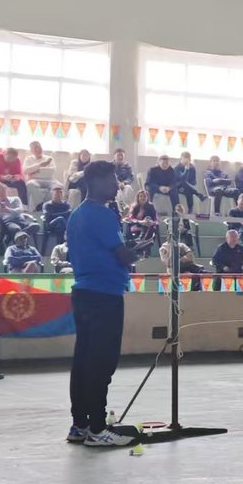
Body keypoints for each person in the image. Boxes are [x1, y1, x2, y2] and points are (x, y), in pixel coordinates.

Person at [66, 160, 138, 447]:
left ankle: (79, 424)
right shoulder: (103, 214)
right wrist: (137, 252)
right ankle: (97, 428)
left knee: (83, 360)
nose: (116, 185)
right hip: (104, 295)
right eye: (111, 179)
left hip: (84, 294)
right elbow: (122, 255)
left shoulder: (77, 215)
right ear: (95, 182)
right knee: (102, 363)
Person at [41, 186, 71, 254]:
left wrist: (54, 214)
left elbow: (69, 213)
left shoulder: (66, 204)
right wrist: (62, 214)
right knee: (60, 219)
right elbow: (48, 216)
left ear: (62, 195)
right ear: (52, 195)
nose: (58, 195)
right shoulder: (47, 205)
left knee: (60, 226)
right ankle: (63, 248)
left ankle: (60, 251)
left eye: (60, 193)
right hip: (51, 225)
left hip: (62, 226)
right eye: (56, 194)